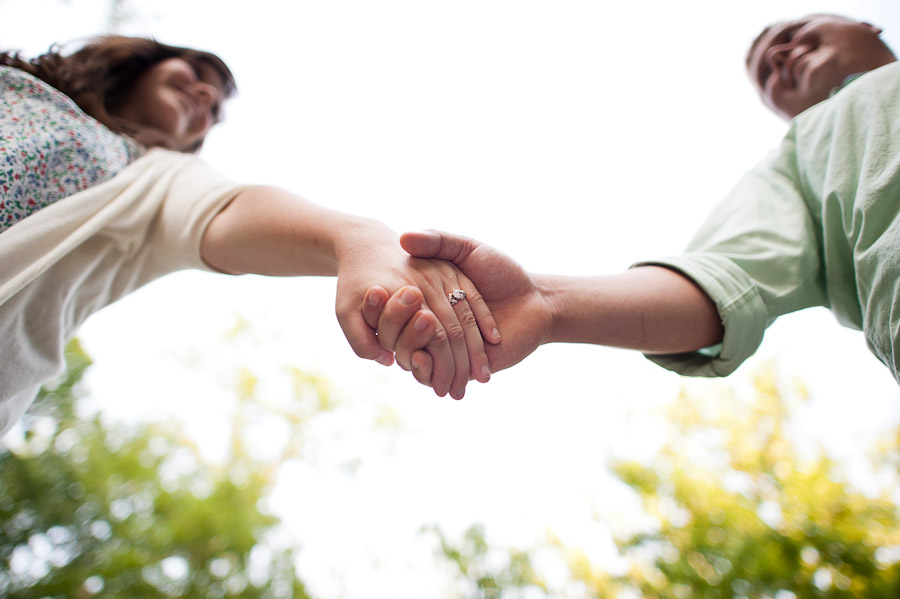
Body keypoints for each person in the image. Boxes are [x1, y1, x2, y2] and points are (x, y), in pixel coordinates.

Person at [0, 35, 500, 437]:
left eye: (214, 109)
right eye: (196, 75)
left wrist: (359, 239)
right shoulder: (17, 83)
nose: (206, 98)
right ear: (142, 61)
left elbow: (232, 209)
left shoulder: (153, 179)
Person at [365, 14, 900, 388]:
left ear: (868, 25)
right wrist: (545, 303)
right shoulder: (804, 155)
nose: (779, 55)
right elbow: (720, 283)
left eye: (792, 34)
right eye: (766, 71)